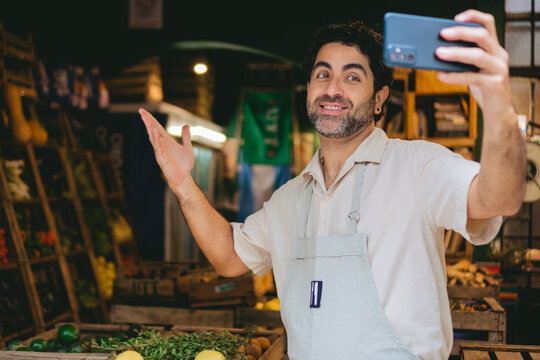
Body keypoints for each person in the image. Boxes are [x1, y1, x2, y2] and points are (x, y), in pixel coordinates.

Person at [139, 9, 526, 360]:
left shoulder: (417, 165)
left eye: (352, 76)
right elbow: (228, 257)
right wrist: (183, 183)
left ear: (379, 99)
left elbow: (500, 198)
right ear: (308, 89)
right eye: (322, 74)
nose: (333, 88)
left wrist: (497, 105)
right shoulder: (290, 197)